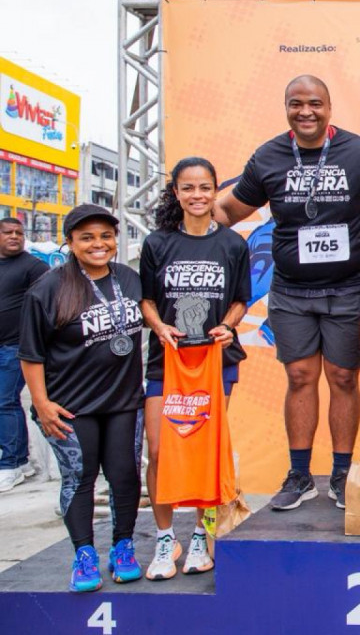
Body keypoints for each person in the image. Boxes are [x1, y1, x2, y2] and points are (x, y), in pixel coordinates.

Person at [215, 75, 360, 511]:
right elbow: (231, 209)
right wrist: (188, 208)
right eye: (296, 104)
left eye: (315, 103)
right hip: (292, 290)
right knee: (299, 378)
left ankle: (340, 472)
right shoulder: (269, 156)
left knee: (344, 378)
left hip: (351, 287)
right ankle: (299, 475)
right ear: (286, 107)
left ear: (330, 107)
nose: (306, 111)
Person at [19, 205, 145, 591]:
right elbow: (31, 353)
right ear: (71, 242)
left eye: (106, 236)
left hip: (124, 401)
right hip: (71, 407)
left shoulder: (129, 278)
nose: (98, 244)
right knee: (80, 477)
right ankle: (84, 554)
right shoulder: (49, 287)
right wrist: (41, 404)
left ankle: (123, 546)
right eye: (87, 237)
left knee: (125, 476)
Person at [140, 158, 250, 581]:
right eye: (189, 188)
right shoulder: (157, 243)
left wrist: (228, 325)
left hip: (214, 362)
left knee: (206, 450)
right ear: (176, 193)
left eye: (206, 187)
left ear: (215, 190)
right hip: (165, 361)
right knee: (159, 450)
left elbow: (241, 299)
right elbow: (147, 299)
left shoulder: (232, 244)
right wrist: (159, 325)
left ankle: (203, 533)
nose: (198, 195)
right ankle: (166, 537)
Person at [0, 217, 49, 491]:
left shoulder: (33, 266)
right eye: (8, 232)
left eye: (19, 232)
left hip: (15, 347)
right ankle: (14, 456)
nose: (15, 236)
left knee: (5, 401)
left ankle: (14, 463)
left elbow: (51, 298)